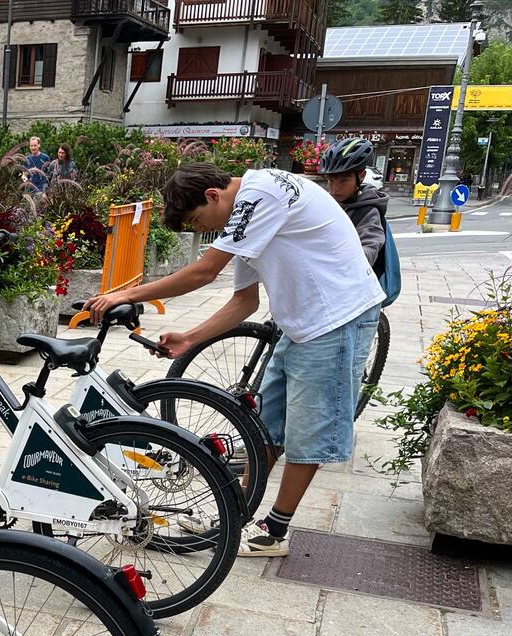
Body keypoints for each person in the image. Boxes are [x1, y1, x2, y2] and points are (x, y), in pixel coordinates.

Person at [84, 161, 384, 557]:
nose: (202, 230)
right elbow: (245, 300)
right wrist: (190, 338)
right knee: (265, 425)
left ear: (212, 195)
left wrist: (125, 294)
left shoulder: (261, 195)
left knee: (308, 433)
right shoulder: (244, 214)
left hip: (336, 321)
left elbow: (204, 273)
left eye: (198, 220)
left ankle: (272, 533)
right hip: (302, 323)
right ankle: (237, 515)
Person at [320, 137, 388, 275]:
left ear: (361, 176)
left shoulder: (368, 211)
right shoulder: (326, 203)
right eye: (331, 180)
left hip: (348, 284)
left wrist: (348, 262)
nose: (335, 188)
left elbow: (370, 246)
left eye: (344, 180)